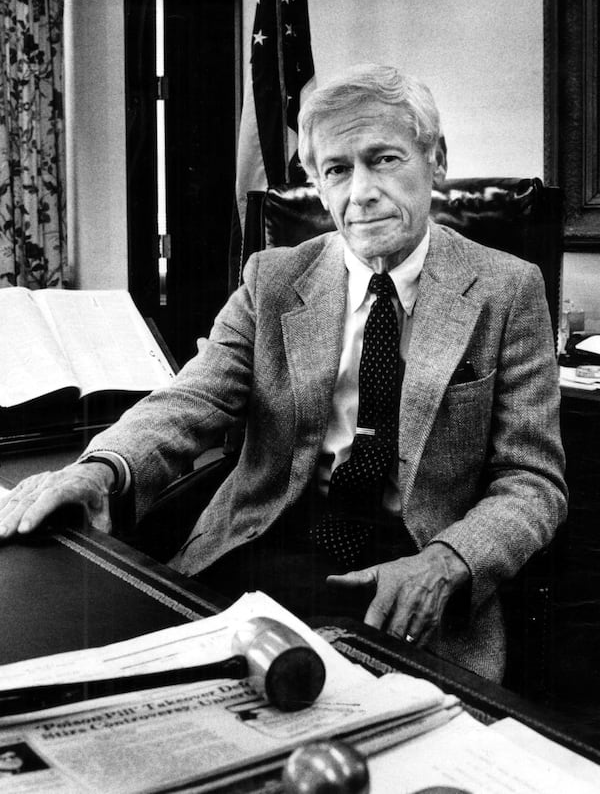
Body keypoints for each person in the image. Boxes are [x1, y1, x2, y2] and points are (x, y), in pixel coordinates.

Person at [0, 64, 567, 682]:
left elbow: (533, 480)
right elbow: (191, 399)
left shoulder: (508, 290)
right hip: (267, 538)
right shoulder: (273, 279)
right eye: (338, 170)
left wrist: (448, 560)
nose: (362, 192)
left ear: (437, 162)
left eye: (385, 159)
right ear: (318, 188)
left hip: (415, 565)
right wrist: (102, 470)